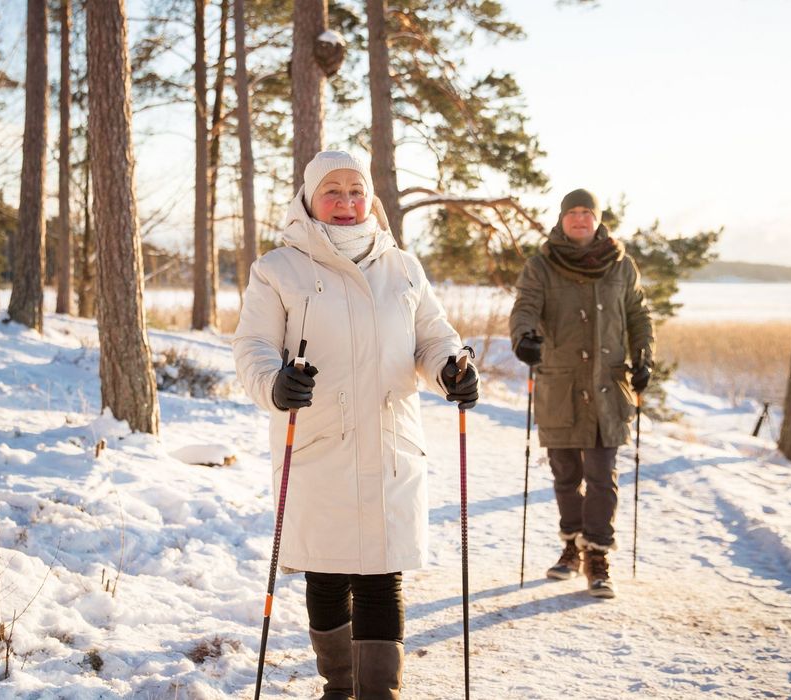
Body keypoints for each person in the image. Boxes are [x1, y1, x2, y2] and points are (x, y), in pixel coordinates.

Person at [233, 150, 478, 699]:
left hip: (391, 444)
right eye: (332, 191)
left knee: (381, 575)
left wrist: (450, 370)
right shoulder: (279, 269)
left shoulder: (403, 267)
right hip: (320, 442)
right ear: (309, 198)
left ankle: (379, 695)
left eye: (356, 190)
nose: (346, 202)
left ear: (371, 198)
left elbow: (434, 336)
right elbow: (252, 347)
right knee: (327, 572)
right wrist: (275, 384)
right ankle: (338, 688)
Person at [509, 188, 655, 599]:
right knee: (566, 476)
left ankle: (597, 555)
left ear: (597, 219)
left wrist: (644, 357)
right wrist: (524, 337)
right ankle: (571, 546)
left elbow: (639, 314)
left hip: (607, 387)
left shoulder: (621, 265)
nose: (578, 219)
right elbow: (525, 306)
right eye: (571, 213)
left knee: (602, 476)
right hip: (561, 385)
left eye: (585, 213)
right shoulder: (541, 265)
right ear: (561, 219)